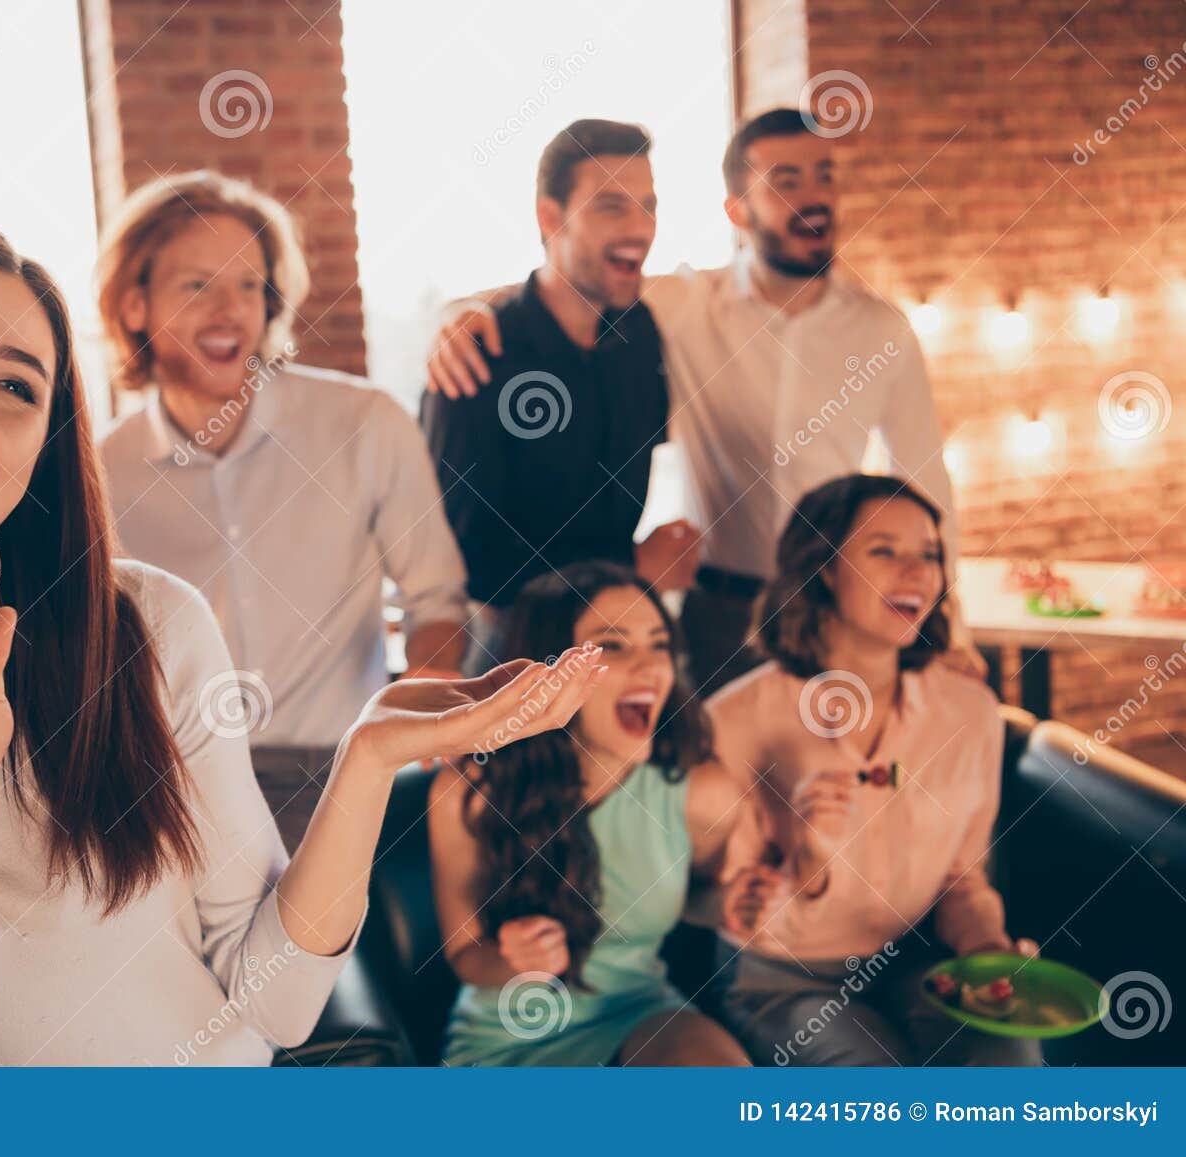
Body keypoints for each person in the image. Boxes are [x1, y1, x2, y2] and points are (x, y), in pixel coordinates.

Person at [0, 222, 607, 1067]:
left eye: (14, 383)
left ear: (38, 452)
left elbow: (275, 999)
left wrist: (370, 751)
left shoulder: (151, 627)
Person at [424, 109, 978, 694]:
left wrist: (950, 629)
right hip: (710, 615)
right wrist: (454, 318)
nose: (812, 197)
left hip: (837, 608)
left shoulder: (882, 331)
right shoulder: (682, 307)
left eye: (823, 176)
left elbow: (926, 484)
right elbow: (557, 290)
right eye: (785, 182)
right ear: (737, 211)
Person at [98, 171, 469, 851]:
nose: (231, 309)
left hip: (338, 776)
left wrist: (430, 674)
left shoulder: (366, 423)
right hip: (168, 792)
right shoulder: (98, 473)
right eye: (197, 284)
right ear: (133, 306)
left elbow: (436, 597)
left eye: (249, 285)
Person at [712, 473, 1040, 1067]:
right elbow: (735, 906)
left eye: (929, 556)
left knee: (1010, 1057)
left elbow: (961, 881)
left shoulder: (968, 711)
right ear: (822, 569)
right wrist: (806, 862)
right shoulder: (736, 721)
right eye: (884, 551)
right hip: (784, 976)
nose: (915, 573)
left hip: (919, 960)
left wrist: (989, 951)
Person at [429, 560, 752, 1066]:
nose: (650, 667)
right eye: (614, 645)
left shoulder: (705, 792)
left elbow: (702, 900)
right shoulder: (466, 791)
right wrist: (514, 961)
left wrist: (737, 905)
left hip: (639, 1011)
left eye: (659, 644)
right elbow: (465, 955)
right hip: (509, 1032)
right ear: (548, 671)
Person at [419, 120, 700, 673]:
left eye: (648, 205)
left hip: (616, 632)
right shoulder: (481, 351)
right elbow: (467, 559)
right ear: (551, 217)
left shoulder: (640, 330)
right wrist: (634, 565)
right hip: (509, 651)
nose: (640, 227)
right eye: (612, 207)